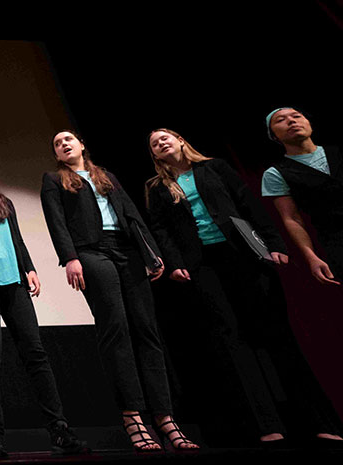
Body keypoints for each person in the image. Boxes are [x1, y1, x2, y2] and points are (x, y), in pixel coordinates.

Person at [147, 128, 341, 445]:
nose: (160, 142)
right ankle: (267, 425)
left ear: (182, 140)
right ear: (154, 155)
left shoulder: (215, 167)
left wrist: (274, 243)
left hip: (246, 255)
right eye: (154, 144)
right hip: (204, 265)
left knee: (275, 334)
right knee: (232, 339)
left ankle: (319, 420)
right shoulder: (157, 187)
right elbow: (161, 229)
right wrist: (175, 262)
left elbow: (247, 203)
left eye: (165, 137)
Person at [40, 130, 197, 452]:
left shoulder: (106, 176)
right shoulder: (54, 180)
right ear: (57, 155)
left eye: (68, 139)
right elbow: (56, 221)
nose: (64, 144)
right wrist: (70, 258)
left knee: (147, 332)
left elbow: (132, 215)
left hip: (127, 250)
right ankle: (132, 415)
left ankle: (165, 417)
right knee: (117, 330)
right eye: (58, 143)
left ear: (82, 144)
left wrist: (152, 253)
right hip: (91, 252)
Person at [0, 146, 89, 458]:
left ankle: (59, 429)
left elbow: (17, 240)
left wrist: (30, 268)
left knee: (36, 354)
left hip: (14, 284)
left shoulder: (6, 202)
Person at [261, 107, 343, 285]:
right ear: (274, 136)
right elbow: (291, 218)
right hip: (337, 242)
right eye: (280, 120)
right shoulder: (276, 173)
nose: (291, 121)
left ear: (309, 124)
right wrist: (311, 257)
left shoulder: (337, 152)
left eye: (296, 116)